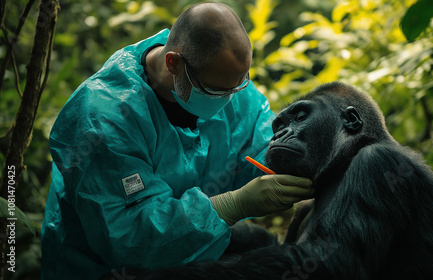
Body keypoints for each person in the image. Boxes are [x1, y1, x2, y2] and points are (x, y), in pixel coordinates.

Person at [41, 3, 313, 279]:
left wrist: (299, 163)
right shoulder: (104, 120)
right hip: (98, 268)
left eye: (239, 85)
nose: (230, 99)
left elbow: (259, 137)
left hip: (193, 256)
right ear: (174, 63)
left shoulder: (218, 73)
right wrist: (232, 205)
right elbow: (129, 235)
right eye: (216, 91)